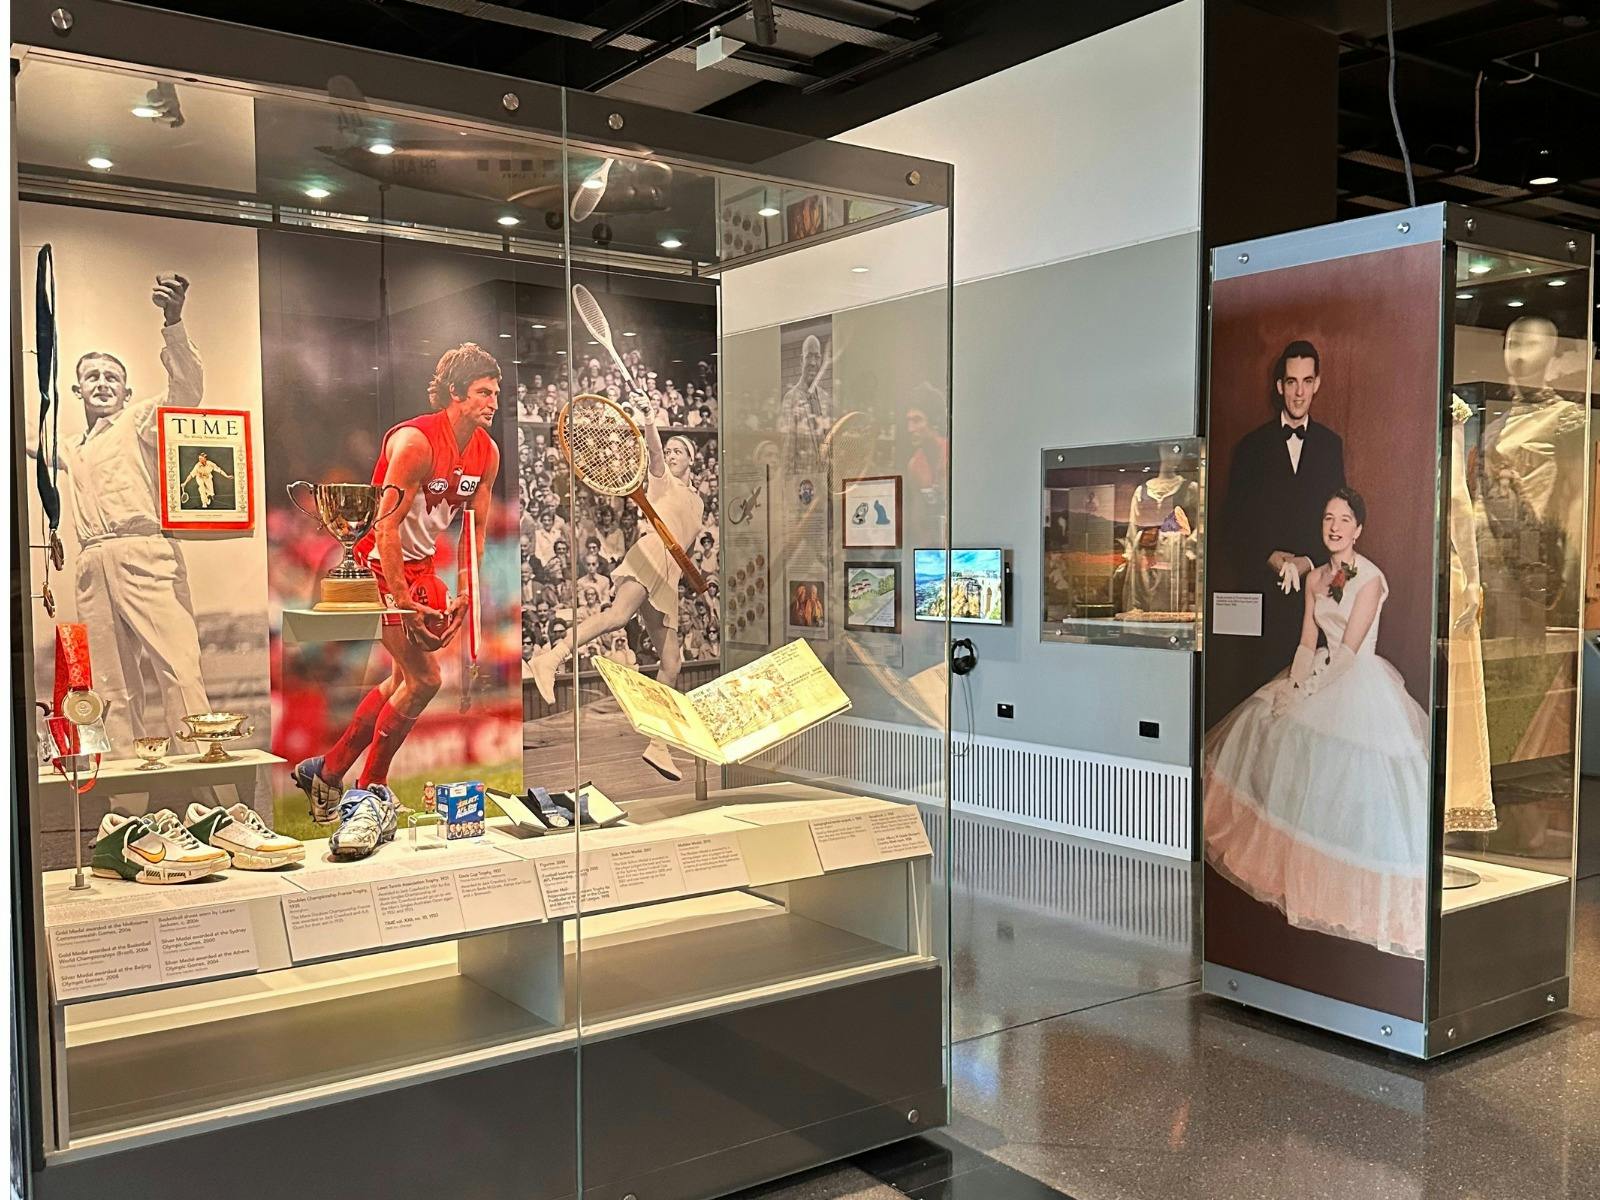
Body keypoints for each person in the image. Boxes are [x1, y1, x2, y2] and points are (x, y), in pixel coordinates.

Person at [1203, 488, 1428, 959]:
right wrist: (1293, 686)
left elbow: (1348, 652)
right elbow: (1308, 641)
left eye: (1344, 519)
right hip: (1321, 669)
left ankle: (1347, 894)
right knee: (1267, 726)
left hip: (1356, 681)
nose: (1335, 527)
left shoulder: (1370, 579)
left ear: (1359, 529)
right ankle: (1294, 879)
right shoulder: (1316, 578)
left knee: (1348, 789)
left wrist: (1312, 690)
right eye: (1328, 518)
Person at [293, 343, 501, 822]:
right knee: (426, 679)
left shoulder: (486, 453)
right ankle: (370, 788)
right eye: (482, 393)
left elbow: (475, 530)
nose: (492, 403)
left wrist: (466, 590)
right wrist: (403, 599)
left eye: (495, 393)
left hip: (422, 565)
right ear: (454, 393)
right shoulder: (415, 443)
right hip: (376, 561)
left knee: (402, 679)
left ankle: (326, 770)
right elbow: (384, 527)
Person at [37, 271, 210, 749]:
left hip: (145, 552)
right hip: (92, 562)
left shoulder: (140, 421)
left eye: (112, 377)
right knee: (108, 685)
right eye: (91, 377)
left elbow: (187, 393)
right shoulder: (69, 446)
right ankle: (124, 801)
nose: (102, 383)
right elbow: (25, 441)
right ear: (77, 391)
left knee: (178, 668)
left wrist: (173, 322)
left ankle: (207, 793)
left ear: (127, 391)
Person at [527, 395, 700, 781]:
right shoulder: (662, 482)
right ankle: (552, 657)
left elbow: (684, 542)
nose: (671, 454)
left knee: (673, 662)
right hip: (648, 556)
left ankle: (658, 743)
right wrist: (651, 422)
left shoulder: (698, 502)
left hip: (667, 575)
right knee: (618, 616)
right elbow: (653, 452)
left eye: (678, 450)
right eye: (669, 450)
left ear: (692, 459)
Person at [1218, 340, 1346, 704]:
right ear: (1279, 386)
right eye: (1291, 382)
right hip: (1261, 600)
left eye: (1307, 381)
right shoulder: (1250, 447)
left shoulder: (1330, 445)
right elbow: (1233, 525)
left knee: (1306, 700)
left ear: (1317, 383)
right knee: (1259, 702)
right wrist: (1269, 557)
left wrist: (1307, 561)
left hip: (1312, 599)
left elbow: (1338, 521)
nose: (1299, 392)